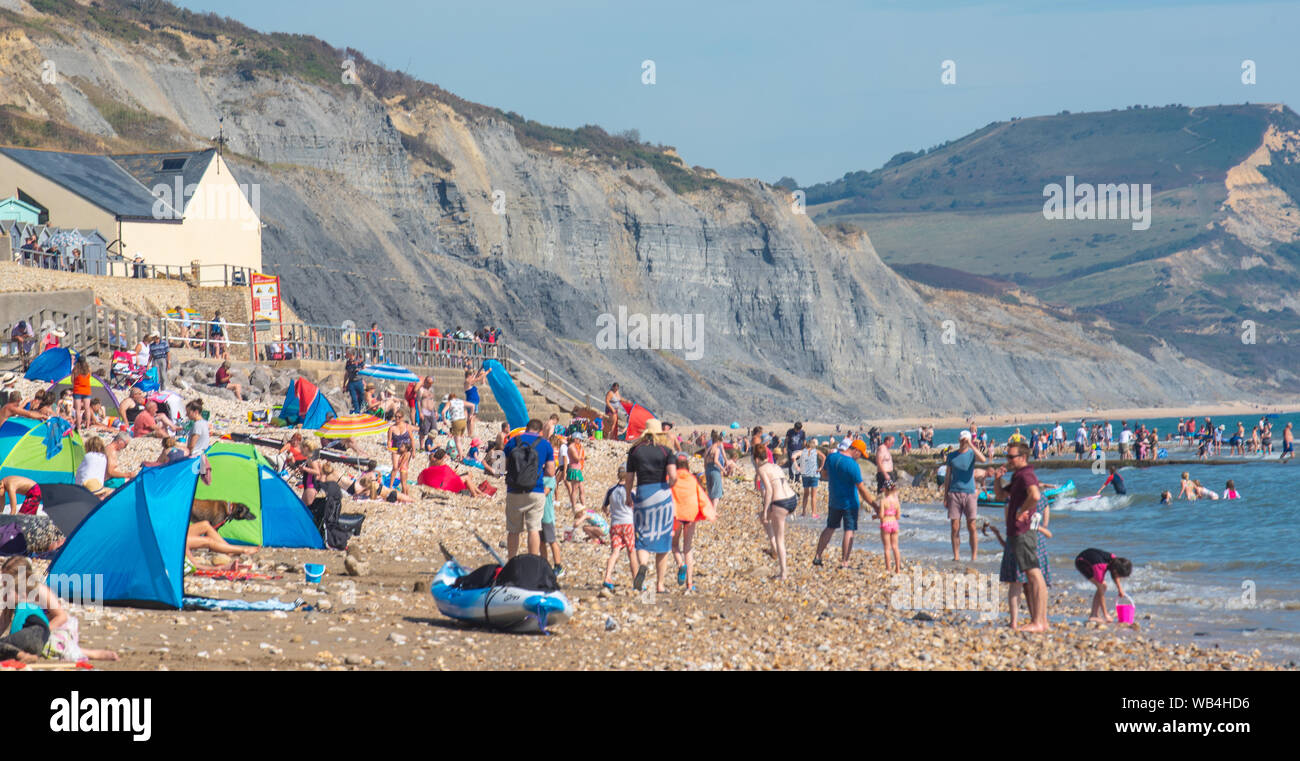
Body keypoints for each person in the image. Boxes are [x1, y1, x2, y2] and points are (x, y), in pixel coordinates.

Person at [991, 441, 1048, 632]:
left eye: (1011, 457)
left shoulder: (1026, 475)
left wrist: (1021, 511)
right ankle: (1041, 621)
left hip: (1023, 532)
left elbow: (1035, 496)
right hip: (1017, 533)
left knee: (1034, 575)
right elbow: (999, 496)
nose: (1008, 460)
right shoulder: (1017, 477)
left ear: (1022, 458)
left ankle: (1039, 622)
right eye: (1007, 456)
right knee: (1033, 575)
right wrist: (998, 479)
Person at [623, 419, 676, 593]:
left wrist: (628, 496)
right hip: (662, 493)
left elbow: (629, 477)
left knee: (642, 536)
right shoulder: (666, 451)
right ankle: (660, 585)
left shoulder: (635, 451)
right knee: (663, 538)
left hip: (643, 493)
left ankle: (643, 565)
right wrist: (670, 487)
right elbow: (673, 476)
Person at [813, 439, 880, 569]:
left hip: (834, 499)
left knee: (830, 527)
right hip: (850, 502)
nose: (860, 457)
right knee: (849, 530)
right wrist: (874, 505)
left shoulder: (831, 457)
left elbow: (824, 474)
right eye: (860, 454)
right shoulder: (853, 465)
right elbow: (861, 489)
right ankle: (844, 562)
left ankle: (817, 556)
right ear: (855, 450)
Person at [503, 418, 556, 559]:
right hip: (536, 490)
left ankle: (511, 561)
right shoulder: (545, 445)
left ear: (526, 428)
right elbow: (551, 472)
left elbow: (499, 468)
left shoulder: (512, 441)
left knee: (513, 530)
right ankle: (532, 561)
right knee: (533, 529)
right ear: (540, 431)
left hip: (514, 490)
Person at [671, 451, 714, 591]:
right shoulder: (692, 479)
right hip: (691, 515)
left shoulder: (671, 478)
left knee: (674, 545)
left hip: (676, 514)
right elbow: (701, 497)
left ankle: (680, 565)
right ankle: (690, 584)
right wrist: (710, 512)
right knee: (687, 548)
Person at [943, 429, 987, 562]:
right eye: (962, 440)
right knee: (954, 526)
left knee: (971, 525)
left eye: (965, 440)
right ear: (958, 440)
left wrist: (971, 444)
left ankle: (974, 557)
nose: (963, 443)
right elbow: (947, 477)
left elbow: (983, 459)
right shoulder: (952, 456)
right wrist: (945, 495)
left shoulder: (972, 454)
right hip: (954, 493)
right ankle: (956, 556)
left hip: (970, 493)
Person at [755, 443, 797, 581]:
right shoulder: (775, 466)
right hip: (792, 499)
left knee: (780, 539)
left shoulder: (762, 469)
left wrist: (766, 509)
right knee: (762, 517)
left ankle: (783, 573)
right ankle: (772, 547)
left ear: (756, 459)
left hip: (780, 503)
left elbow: (769, 490)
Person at [601, 465, 638, 591]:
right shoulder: (631, 492)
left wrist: (608, 513)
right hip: (628, 523)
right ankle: (636, 581)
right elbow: (636, 508)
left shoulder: (611, 490)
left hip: (615, 523)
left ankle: (607, 577)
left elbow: (604, 506)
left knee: (615, 551)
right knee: (631, 551)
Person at [1074, 548, 1132, 623]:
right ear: (1115, 571)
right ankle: (1094, 615)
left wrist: (1120, 589)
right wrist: (1106, 614)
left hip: (1090, 556)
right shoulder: (1100, 566)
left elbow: (1114, 574)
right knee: (1102, 587)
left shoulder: (1115, 560)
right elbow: (1101, 592)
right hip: (1081, 562)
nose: (1119, 577)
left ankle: (1094, 614)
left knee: (1102, 586)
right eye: (1120, 575)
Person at [540, 469, 562, 577]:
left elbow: (545, 492)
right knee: (541, 542)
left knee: (552, 541)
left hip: (547, 516)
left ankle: (558, 566)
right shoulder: (539, 478)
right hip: (539, 515)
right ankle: (545, 565)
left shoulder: (549, 479)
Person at [387, 408, 415, 494]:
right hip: (396, 449)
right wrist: (389, 447)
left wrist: (414, 451)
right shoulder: (391, 428)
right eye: (396, 417)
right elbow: (389, 440)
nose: (397, 419)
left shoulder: (407, 427)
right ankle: (390, 487)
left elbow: (412, 439)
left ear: (402, 418)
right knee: (395, 467)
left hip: (406, 451)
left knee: (404, 469)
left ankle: (404, 487)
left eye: (399, 417)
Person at [794, 443, 826, 518]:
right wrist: (821, 468)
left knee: (805, 494)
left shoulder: (802, 452)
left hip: (805, 475)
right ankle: (813, 513)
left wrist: (797, 467)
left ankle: (804, 512)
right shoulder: (816, 451)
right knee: (813, 496)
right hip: (814, 474)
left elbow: (793, 457)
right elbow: (824, 457)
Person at [878, 479, 902, 574]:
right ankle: (898, 569)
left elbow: (881, 515)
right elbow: (898, 516)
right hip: (894, 524)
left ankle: (888, 569)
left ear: (885, 490)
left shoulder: (883, 501)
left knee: (887, 548)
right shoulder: (896, 501)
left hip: (886, 524)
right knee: (895, 547)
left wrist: (877, 516)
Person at [704, 430, 730, 511]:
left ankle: (709, 509)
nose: (720, 444)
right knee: (717, 491)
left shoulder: (708, 450)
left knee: (710, 489)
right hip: (715, 469)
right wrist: (723, 470)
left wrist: (706, 470)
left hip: (708, 469)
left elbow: (704, 462)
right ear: (718, 441)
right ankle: (713, 511)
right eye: (720, 443)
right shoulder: (717, 449)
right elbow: (715, 460)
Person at [445, 391, 471, 460]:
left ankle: (461, 457)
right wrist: (471, 415)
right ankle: (461, 453)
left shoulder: (450, 402)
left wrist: (444, 420)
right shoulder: (460, 401)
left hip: (456, 421)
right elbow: (472, 405)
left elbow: (443, 411)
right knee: (459, 439)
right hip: (463, 421)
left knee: (457, 441)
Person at [564, 433, 586, 510]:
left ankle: (583, 506)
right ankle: (574, 506)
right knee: (575, 489)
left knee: (582, 489)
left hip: (577, 469)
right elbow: (577, 458)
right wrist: (581, 450)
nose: (580, 441)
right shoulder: (571, 447)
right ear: (575, 439)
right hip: (574, 470)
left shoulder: (573, 447)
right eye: (579, 439)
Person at [70, 355, 92, 430]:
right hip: (87, 390)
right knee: (87, 409)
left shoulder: (75, 370)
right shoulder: (88, 370)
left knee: (78, 410)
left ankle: (78, 427)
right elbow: (90, 377)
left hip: (77, 390)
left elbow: (72, 380)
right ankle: (87, 426)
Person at [464, 366, 486, 438]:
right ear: (469, 375)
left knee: (470, 419)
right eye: (472, 375)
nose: (473, 376)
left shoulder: (469, 381)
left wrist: (480, 369)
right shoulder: (468, 381)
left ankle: (469, 433)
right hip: (472, 402)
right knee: (472, 419)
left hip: (472, 402)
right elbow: (478, 378)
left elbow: (477, 376)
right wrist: (488, 372)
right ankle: (470, 433)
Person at [344, 349, 365, 414]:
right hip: (351, 382)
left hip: (359, 381)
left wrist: (360, 370)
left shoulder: (359, 361)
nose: (346, 355)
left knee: (361, 395)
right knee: (354, 398)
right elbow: (346, 374)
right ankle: (357, 411)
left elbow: (364, 368)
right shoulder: (348, 363)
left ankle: (361, 408)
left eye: (347, 354)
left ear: (351, 354)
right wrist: (344, 384)